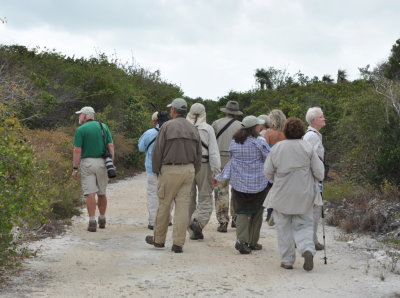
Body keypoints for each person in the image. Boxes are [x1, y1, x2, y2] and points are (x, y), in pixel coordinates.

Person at [264, 117, 324, 271]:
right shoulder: (307, 147)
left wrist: (276, 178)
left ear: (285, 131)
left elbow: (267, 172)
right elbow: (319, 172)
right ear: (302, 130)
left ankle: (287, 260)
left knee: (284, 228)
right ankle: (307, 249)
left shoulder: (277, 148)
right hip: (304, 193)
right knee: (304, 224)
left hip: (282, 193)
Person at [145, 98, 202, 253]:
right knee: (183, 208)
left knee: (164, 205)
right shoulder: (193, 128)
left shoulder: (166, 126)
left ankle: (159, 240)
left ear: (174, 110)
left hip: (170, 170)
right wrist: (194, 170)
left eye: (171, 109)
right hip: (188, 170)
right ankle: (178, 243)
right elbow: (198, 154)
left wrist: (157, 170)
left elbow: (158, 151)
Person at [213, 116, 270, 254]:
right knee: (257, 213)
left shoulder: (234, 142)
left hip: (239, 184)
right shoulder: (259, 142)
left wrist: (219, 177)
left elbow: (231, 162)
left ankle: (241, 240)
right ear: (255, 128)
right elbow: (269, 159)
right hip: (259, 184)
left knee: (242, 212)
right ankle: (253, 242)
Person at [72, 106, 115, 232]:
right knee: (102, 193)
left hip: (87, 163)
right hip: (103, 163)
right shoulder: (104, 127)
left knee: (89, 193)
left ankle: (92, 221)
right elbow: (111, 146)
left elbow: (77, 150)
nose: (79, 117)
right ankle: (102, 218)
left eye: (80, 115)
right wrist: (111, 163)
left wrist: (75, 168)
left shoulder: (81, 129)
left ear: (85, 115)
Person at [186, 103, 221, 240]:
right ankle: (198, 222)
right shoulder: (208, 129)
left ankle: (190, 228)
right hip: (204, 165)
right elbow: (213, 151)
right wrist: (216, 171)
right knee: (205, 196)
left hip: (187, 165)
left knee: (188, 198)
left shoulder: (184, 127)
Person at [212, 101, 243, 232]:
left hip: (219, 161)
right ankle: (236, 219)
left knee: (221, 191)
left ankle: (223, 221)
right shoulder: (241, 126)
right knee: (236, 191)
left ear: (225, 111)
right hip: (236, 161)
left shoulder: (216, 124)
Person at [303, 107, 326, 251]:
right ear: (313, 120)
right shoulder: (312, 136)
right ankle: (311, 240)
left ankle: (311, 239)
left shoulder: (313, 135)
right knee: (315, 209)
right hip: (313, 178)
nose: (324, 119)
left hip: (313, 177)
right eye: (321, 117)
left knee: (313, 209)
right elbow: (307, 157)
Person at [138, 112, 161, 230]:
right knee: (167, 195)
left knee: (153, 194)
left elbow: (141, 148)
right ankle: (167, 220)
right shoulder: (171, 131)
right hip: (167, 169)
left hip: (152, 169)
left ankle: (153, 221)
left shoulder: (149, 133)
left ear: (154, 121)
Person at [263, 109, 286, 224]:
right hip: (285, 163)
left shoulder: (268, 133)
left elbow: (265, 149)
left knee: (271, 190)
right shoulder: (286, 132)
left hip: (272, 163)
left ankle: (270, 213)